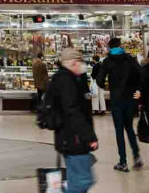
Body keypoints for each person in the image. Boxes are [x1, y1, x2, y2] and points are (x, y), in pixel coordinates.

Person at [49, 48, 98, 193]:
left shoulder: (68, 78)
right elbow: (73, 112)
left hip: (70, 138)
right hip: (74, 139)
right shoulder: (67, 81)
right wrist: (89, 136)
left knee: (78, 179)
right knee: (82, 182)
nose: (82, 65)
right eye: (80, 62)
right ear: (72, 63)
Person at [94, 37, 141, 172]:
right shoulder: (130, 59)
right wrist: (137, 89)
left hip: (116, 99)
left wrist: (107, 87)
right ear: (120, 46)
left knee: (119, 130)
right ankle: (136, 155)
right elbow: (140, 73)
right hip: (130, 99)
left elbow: (99, 80)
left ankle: (123, 162)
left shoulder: (108, 61)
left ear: (109, 47)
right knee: (129, 127)